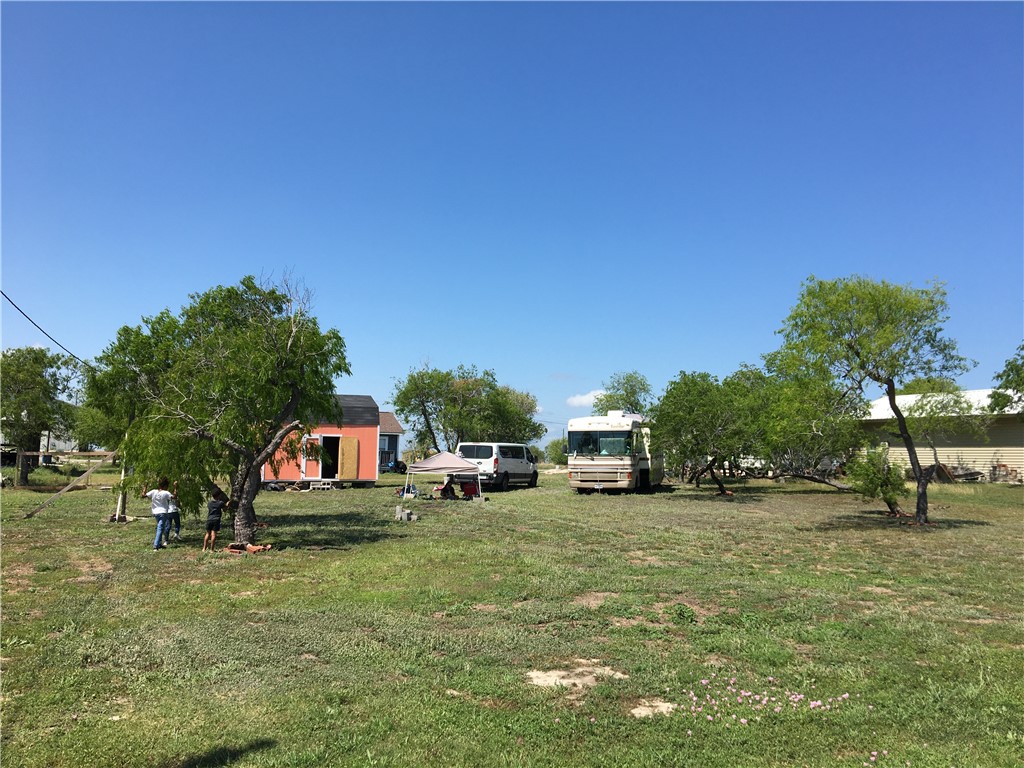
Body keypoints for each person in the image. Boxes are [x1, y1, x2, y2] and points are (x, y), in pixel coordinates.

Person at [143, 477, 173, 551]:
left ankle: (159, 544)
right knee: (160, 528)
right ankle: (156, 546)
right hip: (163, 512)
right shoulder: (166, 493)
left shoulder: (154, 491)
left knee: (160, 527)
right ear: (165, 486)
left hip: (155, 512)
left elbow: (143, 495)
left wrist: (145, 487)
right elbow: (174, 497)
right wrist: (176, 488)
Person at [203, 488, 228, 552]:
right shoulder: (220, 503)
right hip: (216, 520)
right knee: (213, 534)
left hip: (209, 519)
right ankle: (212, 549)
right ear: (219, 495)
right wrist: (228, 504)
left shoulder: (209, 503)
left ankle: (204, 548)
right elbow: (225, 510)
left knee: (207, 533)